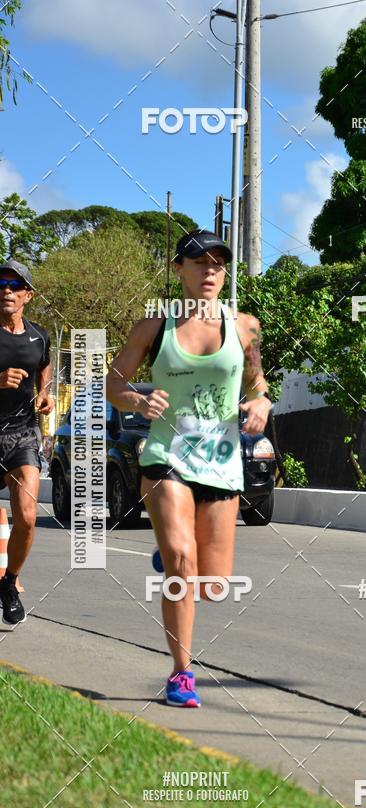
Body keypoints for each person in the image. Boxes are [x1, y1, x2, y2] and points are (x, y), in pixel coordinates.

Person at [106, 229, 271, 707]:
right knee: (181, 561)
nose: (210, 271)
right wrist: (137, 400)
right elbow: (113, 384)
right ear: (179, 269)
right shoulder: (153, 327)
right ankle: (181, 673)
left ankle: (174, 554)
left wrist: (261, 403)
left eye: (218, 264)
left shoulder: (245, 326)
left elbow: (257, 383)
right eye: (200, 263)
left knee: (214, 586)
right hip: (166, 457)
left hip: (221, 464)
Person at [0, 259, 53, 626]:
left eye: (15, 285)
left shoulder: (39, 335)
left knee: (28, 518)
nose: (7, 289)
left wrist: (45, 393)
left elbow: (43, 365)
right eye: (1, 284)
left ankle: (9, 583)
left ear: (28, 295)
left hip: (22, 435)